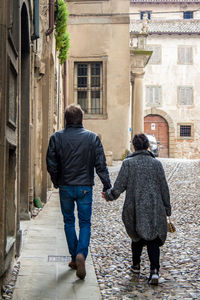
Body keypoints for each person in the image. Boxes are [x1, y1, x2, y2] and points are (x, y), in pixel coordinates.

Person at [46, 104, 111, 279]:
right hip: (84, 187)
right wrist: (107, 186)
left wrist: (56, 181)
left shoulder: (56, 137)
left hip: (66, 186)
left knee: (68, 222)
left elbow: (51, 164)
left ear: (66, 119)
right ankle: (81, 254)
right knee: (84, 223)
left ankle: (75, 258)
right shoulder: (92, 138)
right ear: (81, 119)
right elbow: (101, 165)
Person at [103, 134, 171, 285]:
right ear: (147, 146)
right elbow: (164, 188)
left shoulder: (128, 163)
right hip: (154, 207)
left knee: (136, 236)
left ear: (134, 146)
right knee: (153, 237)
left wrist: (109, 195)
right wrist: (167, 208)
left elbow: (118, 187)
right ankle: (154, 271)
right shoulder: (156, 164)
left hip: (134, 206)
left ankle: (136, 266)